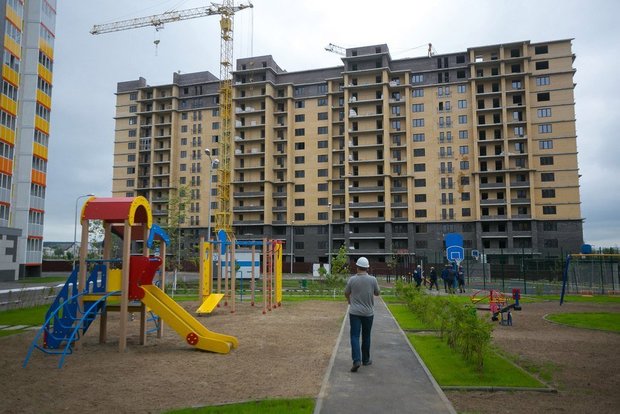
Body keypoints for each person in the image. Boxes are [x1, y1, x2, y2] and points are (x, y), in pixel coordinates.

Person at [344, 257, 381, 372]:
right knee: (366, 336)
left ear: (357, 267)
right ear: (367, 268)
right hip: (368, 313)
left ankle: (356, 360)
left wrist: (349, 300)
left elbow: (346, 292)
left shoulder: (352, 280)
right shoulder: (373, 280)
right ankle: (365, 359)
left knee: (354, 336)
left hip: (354, 312)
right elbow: (377, 293)